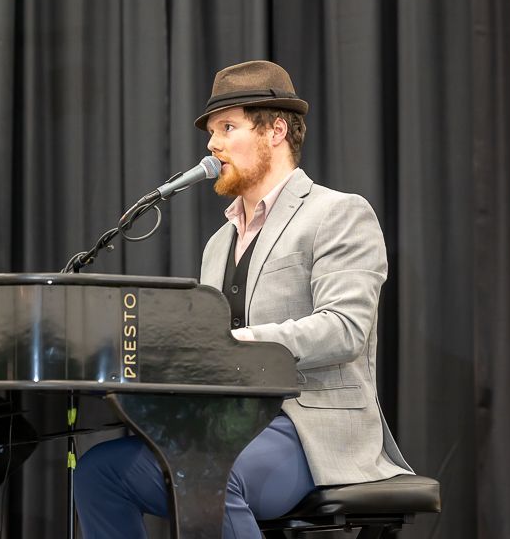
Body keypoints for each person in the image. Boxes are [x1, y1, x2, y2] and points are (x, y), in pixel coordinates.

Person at [73, 60, 413, 538]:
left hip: (307, 428)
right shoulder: (217, 243)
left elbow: (344, 330)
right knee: (98, 472)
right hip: (229, 427)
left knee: (210, 474)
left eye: (227, 127)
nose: (212, 144)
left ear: (275, 130)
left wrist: (231, 341)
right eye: (212, 131)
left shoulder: (338, 213)